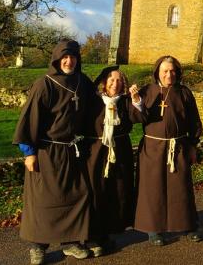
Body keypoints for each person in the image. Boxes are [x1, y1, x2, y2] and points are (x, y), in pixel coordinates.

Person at [13, 39, 95, 265]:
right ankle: (38, 246)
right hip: (47, 151)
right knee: (43, 200)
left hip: (73, 150)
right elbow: (29, 119)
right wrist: (28, 152)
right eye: (64, 57)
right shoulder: (45, 84)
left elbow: (97, 107)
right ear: (57, 59)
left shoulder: (82, 82)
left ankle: (70, 242)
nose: (69, 61)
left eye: (73, 57)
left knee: (77, 195)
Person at [134, 55, 203, 246]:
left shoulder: (184, 93)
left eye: (172, 71)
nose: (169, 74)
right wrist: (136, 101)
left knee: (180, 188)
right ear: (157, 72)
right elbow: (136, 116)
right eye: (165, 71)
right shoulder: (147, 91)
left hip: (178, 147)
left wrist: (192, 144)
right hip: (152, 149)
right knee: (152, 189)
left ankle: (188, 225)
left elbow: (194, 121)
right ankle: (154, 230)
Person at [85, 66, 143, 256]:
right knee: (96, 191)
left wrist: (136, 101)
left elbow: (140, 117)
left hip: (120, 152)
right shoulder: (93, 101)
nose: (115, 83)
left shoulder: (125, 102)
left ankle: (107, 233)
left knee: (116, 192)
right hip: (96, 152)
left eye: (119, 80)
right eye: (111, 79)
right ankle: (92, 236)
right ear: (104, 82)